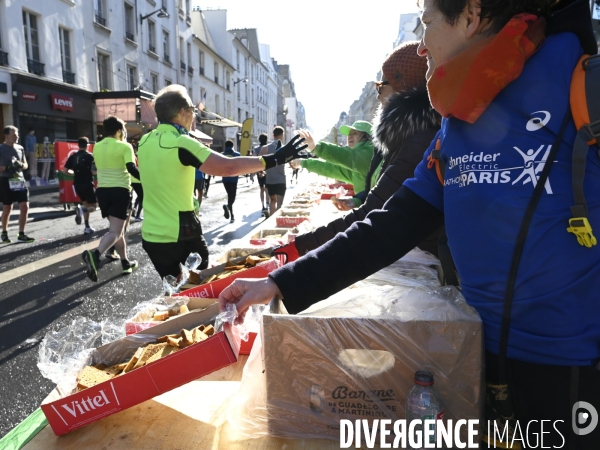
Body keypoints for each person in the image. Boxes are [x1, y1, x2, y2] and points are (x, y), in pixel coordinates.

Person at [219, 1, 600, 448]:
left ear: (471, 16)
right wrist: (280, 281)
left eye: (427, 25)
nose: (420, 48)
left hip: (571, 371)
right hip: (470, 358)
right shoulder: (458, 120)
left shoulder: (584, 84)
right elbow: (389, 225)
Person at [274, 41, 442, 261]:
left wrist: (301, 247)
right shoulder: (405, 138)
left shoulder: (416, 140)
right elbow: (378, 188)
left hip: (419, 253)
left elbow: (374, 210)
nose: (378, 93)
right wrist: (359, 198)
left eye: (382, 85)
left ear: (403, 86)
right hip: (410, 248)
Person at [137, 84, 307, 280]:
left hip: (151, 235)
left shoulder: (144, 141)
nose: (194, 115)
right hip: (181, 233)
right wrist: (274, 159)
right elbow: (227, 167)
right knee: (200, 285)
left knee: (174, 289)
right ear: (182, 112)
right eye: (192, 110)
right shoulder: (181, 142)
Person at [82, 116, 140, 281]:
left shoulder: (96, 147)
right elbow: (131, 169)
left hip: (102, 191)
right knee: (115, 231)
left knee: (118, 231)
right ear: (120, 130)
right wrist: (149, 180)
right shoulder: (124, 146)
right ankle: (95, 255)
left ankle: (125, 262)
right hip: (120, 191)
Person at [296, 120, 375, 208]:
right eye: (349, 133)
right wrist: (303, 162)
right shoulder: (357, 164)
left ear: (367, 137)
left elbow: (346, 155)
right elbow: (330, 169)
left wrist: (316, 147)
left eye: (355, 133)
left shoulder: (369, 152)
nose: (349, 136)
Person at [0, 126, 34, 243]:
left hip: (19, 180)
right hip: (6, 180)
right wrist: (7, 167)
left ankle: (21, 233)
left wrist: (20, 165)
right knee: (7, 208)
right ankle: (4, 232)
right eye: (14, 135)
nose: (17, 137)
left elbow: (26, 165)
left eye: (17, 134)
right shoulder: (1, 148)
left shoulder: (20, 148)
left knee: (24, 207)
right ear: (6, 135)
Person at [62, 137, 97, 234]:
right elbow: (94, 172)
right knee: (94, 206)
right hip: (87, 183)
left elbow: (65, 171)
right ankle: (80, 210)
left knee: (86, 205)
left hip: (77, 184)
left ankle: (87, 227)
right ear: (88, 145)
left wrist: (73, 174)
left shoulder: (73, 156)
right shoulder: (91, 156)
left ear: (78, 145)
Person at [260, 126, 287, 216]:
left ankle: (270, 221)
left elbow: (259, 162)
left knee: (272, 201)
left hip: (270, 179)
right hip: (281, 180)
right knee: (279, 204)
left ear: (273, 135)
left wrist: (261, 172)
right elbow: (293, 164)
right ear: (282, 135)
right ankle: (277, 221)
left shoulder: (265, 148)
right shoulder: (285, 149)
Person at [222, 140, 241, 223]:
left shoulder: (221, 155)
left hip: (225, 179)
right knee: (232, 197)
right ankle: (227, 206)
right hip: (233, 178)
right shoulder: (237, 155)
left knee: (229, 196)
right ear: (233, 146)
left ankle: (232, 216)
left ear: (225, 146)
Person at [253, 133, 269, 212]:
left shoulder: (256, 148)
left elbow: (254, 158)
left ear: (259, 140)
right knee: (267, 189)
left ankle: (263, 206)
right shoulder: (269, 148)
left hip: (259, 170)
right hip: (268, 170)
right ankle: (268, 205)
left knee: (262, 189)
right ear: (266, 140)